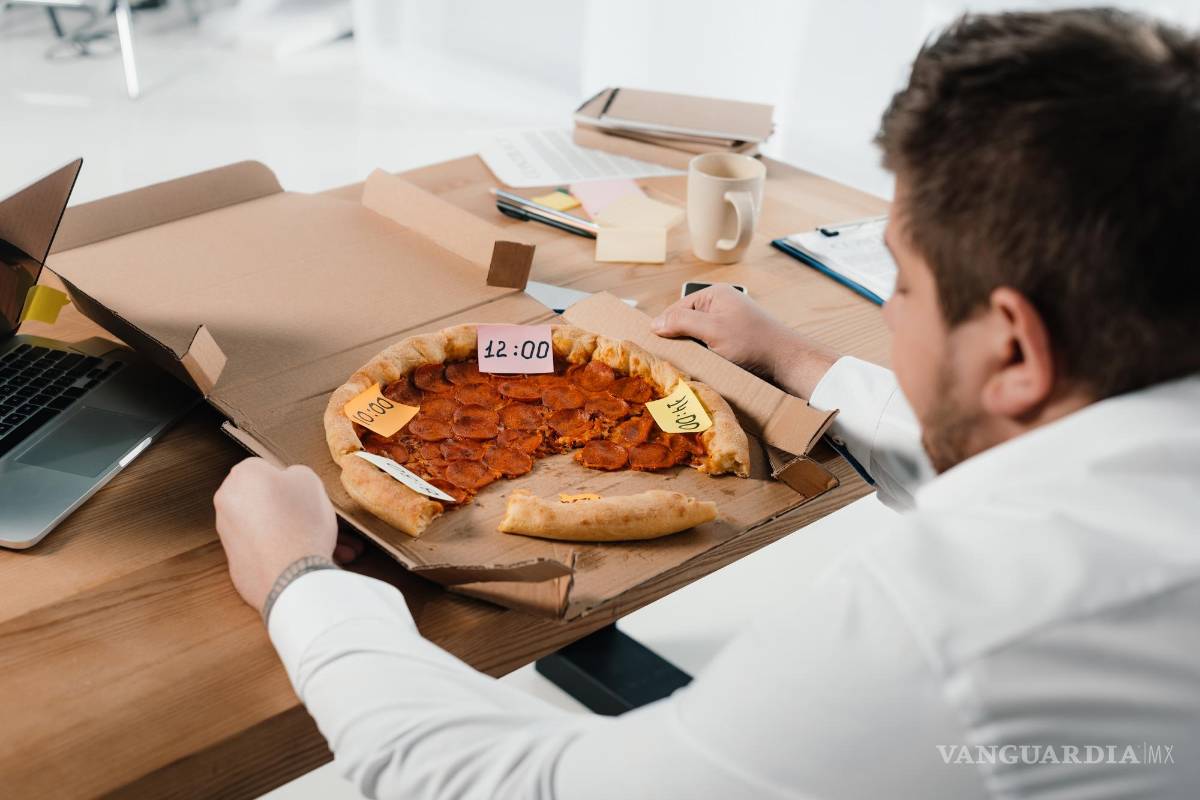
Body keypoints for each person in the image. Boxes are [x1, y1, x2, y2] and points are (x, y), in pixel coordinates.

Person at [214, 9, 1200, 799]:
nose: (888, 318)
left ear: (1017, 346)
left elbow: (525, 783)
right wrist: (801, 362)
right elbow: (1045, 446)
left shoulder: (944, 631)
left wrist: (302, 580)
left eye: (899, 284)